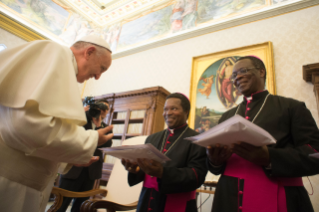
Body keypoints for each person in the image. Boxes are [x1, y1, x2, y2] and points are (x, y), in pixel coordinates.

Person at [0, 35, 113, 212]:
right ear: (89, 52)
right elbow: (28, 127)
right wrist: (91, 140)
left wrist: (69, 156)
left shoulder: (65, 67)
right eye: (102, 68)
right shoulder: (56, 52)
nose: (98, 76)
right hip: (11, 184)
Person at [206, 56, 319, 212]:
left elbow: (314, 153)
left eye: (243, 71)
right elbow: (217, 167)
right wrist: (215, 161)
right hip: (228, 198)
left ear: (261, 72)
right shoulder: (227, 117)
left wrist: (270, 158)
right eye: (233, 75)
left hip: (279, 195)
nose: (237, 77)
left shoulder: (292, 107)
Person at [122, 93, 207, 212]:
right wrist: (135, 170)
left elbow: (197, 176)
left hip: (178, 204)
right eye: (165, 109)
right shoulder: (152, 138)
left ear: (186, 111)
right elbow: (145, 171)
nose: (168, 113)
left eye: (174, 108)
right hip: (147, 202)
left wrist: (163, 172)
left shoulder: (198, 140)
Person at [57, 100, 113, 212]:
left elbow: (107, 144)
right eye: (99, 106)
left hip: (90, 172)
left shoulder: (105, 127)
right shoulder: (81, 120)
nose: (101, 110)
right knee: (60, 204)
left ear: (107, 112)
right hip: (73, 169)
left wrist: (98, 125)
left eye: (104, 108)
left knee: (81, 206)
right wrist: (82, 113)